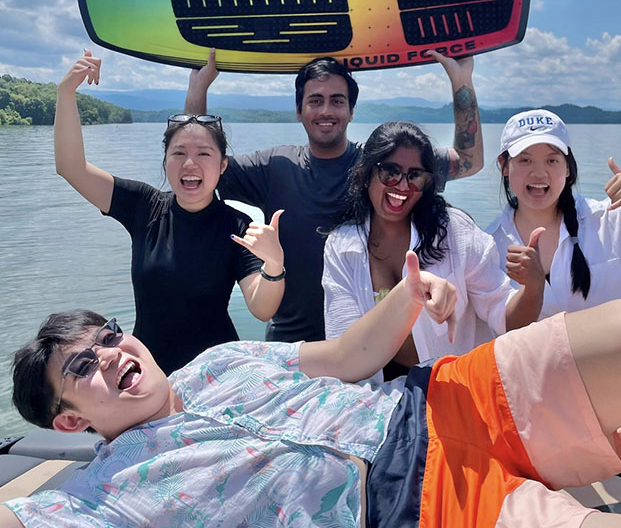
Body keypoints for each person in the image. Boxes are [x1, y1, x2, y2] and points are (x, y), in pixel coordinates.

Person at [5, 261, 621, 528]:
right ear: (69, 422)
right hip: (413, 525)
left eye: (109, 336)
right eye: (81, 368)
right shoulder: (102, 498)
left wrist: (407, 292)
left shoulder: (219, 360)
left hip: (433, 404)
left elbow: (348, 356)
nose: (110, 355)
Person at [185, 48, 485, 342]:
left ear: (351, 111)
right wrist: (199, 87)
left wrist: (461, 81)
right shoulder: (274, 167)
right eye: (315, 101)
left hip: (371, 342)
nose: (326, 110)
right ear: (299, 110)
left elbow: (469, 160)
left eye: (337, 101)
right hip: (292, 340)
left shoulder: (381, 167)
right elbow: (200, 166)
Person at [487, 108, 621, 519]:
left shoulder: (619, 220)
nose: (539, 172)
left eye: (552, 160)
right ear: (504, 167)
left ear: (569, 168)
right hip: (556, 442)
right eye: (525, 160)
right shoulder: (487, 247)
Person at [54, 51, 286, 374]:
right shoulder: (143, 206)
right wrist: (65, 94)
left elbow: (262, 308)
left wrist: (274, 264)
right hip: (148, 377)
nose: (190, 163)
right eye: (179, 153)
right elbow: (71, 168)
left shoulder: (236, 225)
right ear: (166, 162)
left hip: (216, 377)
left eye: (203, 153)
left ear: (222, 166)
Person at [323, 120, 543, 381]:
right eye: (389, 172)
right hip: (374, 394)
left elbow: (505, 318)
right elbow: (343, 345)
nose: (402, 186)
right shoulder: (342, 247)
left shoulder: (455, 233)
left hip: (454, 387)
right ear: (365, 173)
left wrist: (534, 287)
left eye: (415, 175)